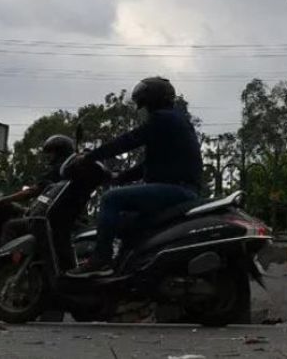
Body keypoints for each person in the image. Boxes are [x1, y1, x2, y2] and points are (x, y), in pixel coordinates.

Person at [66, 76, 203, 277]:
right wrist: (118, 178)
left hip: (177, 190)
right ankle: (131, 271)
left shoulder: (163, 118)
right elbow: (147, 165)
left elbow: (128, 141)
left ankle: (101, 259)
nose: (143, 106)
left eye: (144, 100)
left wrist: (90, 157)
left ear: (153, 99)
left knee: (110, 199)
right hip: (181, 189)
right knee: (125, 222)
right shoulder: (175, 121)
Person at [0, 134, 77, 209]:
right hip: (53, 214)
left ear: (60, 152)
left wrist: (3, 200)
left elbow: (31, 192)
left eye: (51, 152)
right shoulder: (69, 172)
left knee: (10, 226)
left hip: (47, 220)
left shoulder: (58, 171)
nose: (48, 156)